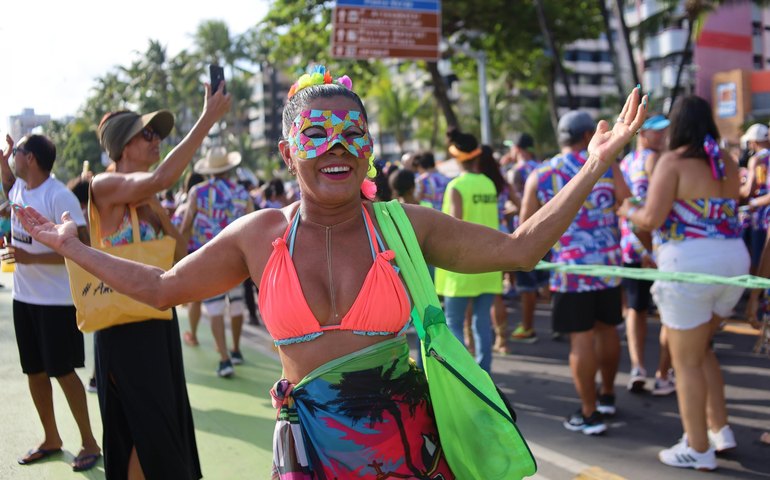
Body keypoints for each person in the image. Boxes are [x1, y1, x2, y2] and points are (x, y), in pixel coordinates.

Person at [14, 66, 647, 479]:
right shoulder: (259, 235)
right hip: (310, 451)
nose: (337, 146)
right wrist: (72, 247)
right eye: (317, 134)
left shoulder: (403, 225)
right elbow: (160, 289)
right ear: (288, 152)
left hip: (407, 449)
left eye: (353, 133)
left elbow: (520, 249)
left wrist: (593, 165)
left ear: (369, 148)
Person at [85, 81, 230, 478]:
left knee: (161, 426)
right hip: (123, 327)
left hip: (158, 322)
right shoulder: (104, 185)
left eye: (156, 134)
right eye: (146, 134)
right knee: (139, 428)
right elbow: (164, 176)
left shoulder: (148, 199)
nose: (156, 141)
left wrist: (159, 211)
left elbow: (180, 252)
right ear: (123, 146)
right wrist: (207, 118)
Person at [618, 95, 748, 471]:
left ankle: (697, 447)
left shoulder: (671, 161)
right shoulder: (725, 161)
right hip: (733, 262)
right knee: (702, 350)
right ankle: (720, 430)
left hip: (689, 265)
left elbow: (652, 218)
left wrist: (627, 209)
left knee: (685, 360)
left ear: (677, 126)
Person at [521, 110, 631, 435]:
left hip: (569, 269)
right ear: (587, 136)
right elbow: (627, 203)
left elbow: (525, 226)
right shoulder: (607, 164)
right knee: (608, 330)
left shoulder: (542, 174)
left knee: (580, 339)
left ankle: (589, 412)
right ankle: (607, 396)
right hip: (608, 265)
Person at [0, 134, 101, 472]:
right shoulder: (19, 188)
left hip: (57, 303)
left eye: (16, 152)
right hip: (24, 298)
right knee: (34, 371)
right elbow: (9, 186)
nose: (13, 156)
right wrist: (3, 162)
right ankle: (51, 438)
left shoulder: (59, 195)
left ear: (30, 158)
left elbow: (83, 248)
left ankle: (89, 442)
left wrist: (30, 257)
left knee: (63, 372)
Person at [180, 146, 253, 377]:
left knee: (215, 308)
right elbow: (251, 227)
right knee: (237, 304)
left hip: (208, 258)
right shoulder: (242, 193)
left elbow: (186, 225)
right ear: (228, 168)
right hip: (238, 257)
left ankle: (224, 359)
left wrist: (181, 254)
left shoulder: (197, 192)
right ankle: (236, 349)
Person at [434, 132, 502, 373]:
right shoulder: (488, 184)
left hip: (461, 266)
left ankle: (465, 376)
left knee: (454, 322)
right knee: (482, 322)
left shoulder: (457, 186)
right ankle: (484, 373)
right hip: (489, 263)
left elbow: (455, 227)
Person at [618, 114, 674, 395]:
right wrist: (650, 247)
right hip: (657, 247)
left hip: (631, 245)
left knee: (635, 309)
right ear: (642, 134)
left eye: (665, 131)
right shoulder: (658, 160)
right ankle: (663, 374)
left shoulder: (624, 163)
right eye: (657, 132)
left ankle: (637, 368)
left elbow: (622, 205)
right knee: (668, 313)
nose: (663, 136)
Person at [477, 145, 520, 354]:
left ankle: (472, 341)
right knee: (496, 294)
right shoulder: (501, 181)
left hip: (479, 236)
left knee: (474, 296)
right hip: (502, 235)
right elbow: (519, 204)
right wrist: (504, 214)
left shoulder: (475, 182)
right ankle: (502, 340)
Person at [507, 132, 548, 343]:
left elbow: (518, 204)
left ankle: (528, 327)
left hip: (525, 232)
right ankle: (558, 326)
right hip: (548, 230)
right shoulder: (542, 168)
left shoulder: (517, 171)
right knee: (546, 281)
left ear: (517, 149)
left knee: (527, 286)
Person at [172, 171, 205, 346]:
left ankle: (193, 334)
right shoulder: (208, 206)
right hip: (209, 253)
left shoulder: (183, 209)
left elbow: (178, 231)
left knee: (196, 300)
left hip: (191, 255)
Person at [739, 123, 770, 275]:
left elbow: (749, 190)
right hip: (764, 212)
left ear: (753, 142)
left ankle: (756, 286)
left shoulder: (757, 159)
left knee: (757, 256)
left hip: (760, 215)